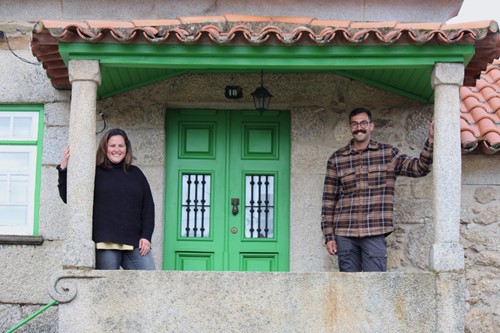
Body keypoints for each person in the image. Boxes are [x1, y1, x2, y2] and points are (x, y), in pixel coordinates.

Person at [321, 108, 434, 272]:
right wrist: (329, 237)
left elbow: (419, 168)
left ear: (371, 126)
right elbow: (328, 201)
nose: (359, 127)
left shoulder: (388, 154)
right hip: (345, 233)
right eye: (355, 124)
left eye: (363, 123)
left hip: (375, 230)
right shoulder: (337, 159)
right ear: (350, 127)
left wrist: (430, 141)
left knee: (376, 287)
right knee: (348, 287)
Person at [57, 128, 156, 270]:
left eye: (121, 146)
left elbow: (148, 208)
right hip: (105, 243)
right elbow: (70, 198)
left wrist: (146, 236)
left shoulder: (136, 174)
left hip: (134, 243)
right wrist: (63, 169)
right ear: (105, 148)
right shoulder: (94, 172)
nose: (117, 149)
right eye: (112, 146)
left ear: (126, 148)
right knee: (107, 287)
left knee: (150, 284)